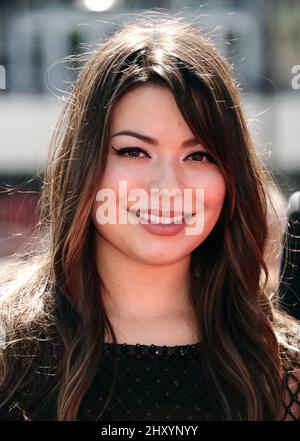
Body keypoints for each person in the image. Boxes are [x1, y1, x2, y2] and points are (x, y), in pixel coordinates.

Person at [0, 12, 300, 421]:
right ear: (84, 163)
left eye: (199, 156)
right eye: (134, 151)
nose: (168, 187)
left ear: (231, 177)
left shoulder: (280, 366)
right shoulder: (8, 347)